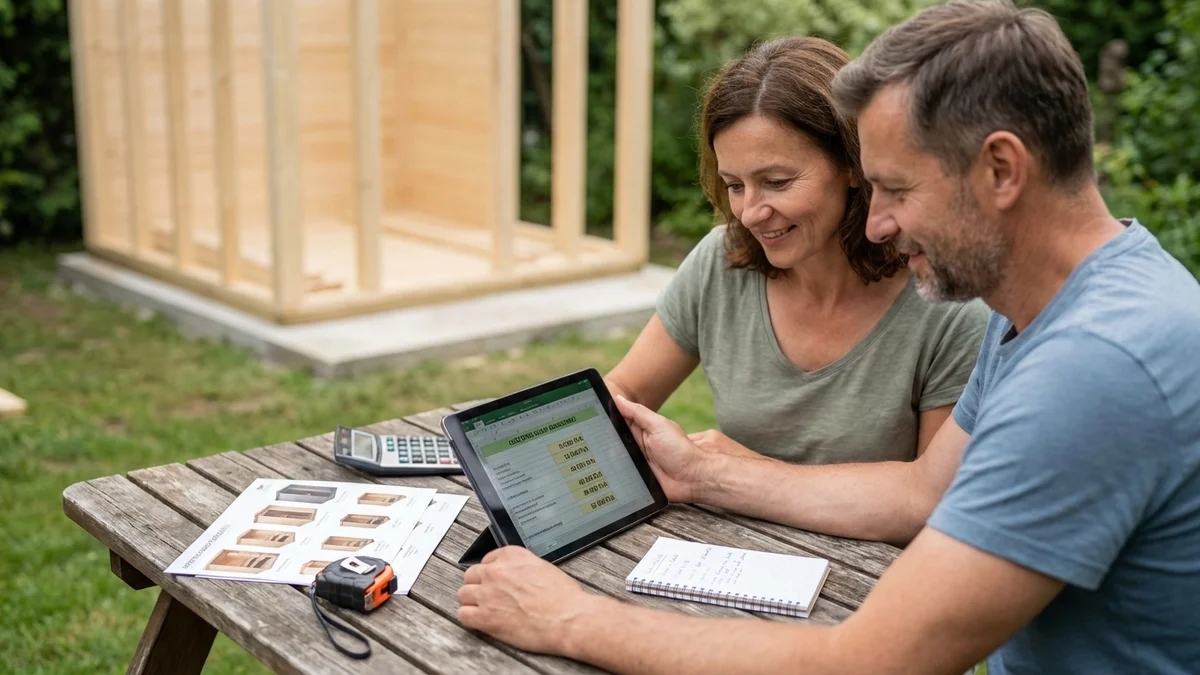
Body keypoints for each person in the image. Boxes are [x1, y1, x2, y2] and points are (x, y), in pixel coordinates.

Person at [455, 2, 1200, 673]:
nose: (875, 223)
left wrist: (571, 618)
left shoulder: (1095, 368)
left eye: (898, 190)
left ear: (1001, 168)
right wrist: (709, 472)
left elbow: (872, 659)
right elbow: (923, 490)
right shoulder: (1046, 305)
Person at [603, 35, 988, 465]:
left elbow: (930, 503)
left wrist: (730, 473)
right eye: (735, 185)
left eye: (777, 182)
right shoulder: (721, 261)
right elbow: (625, 394)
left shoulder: (947, 306)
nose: (749, 213)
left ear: (853, 165)